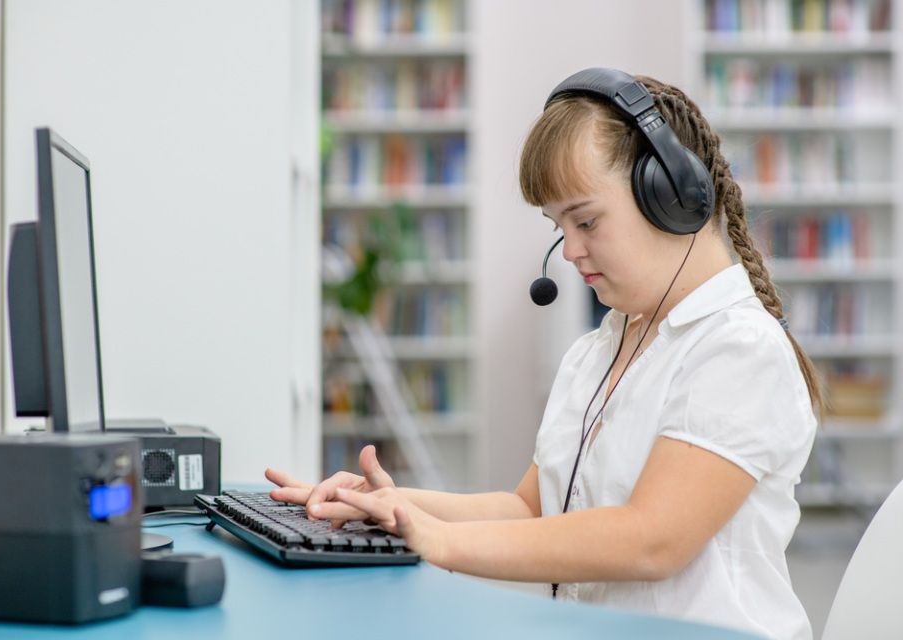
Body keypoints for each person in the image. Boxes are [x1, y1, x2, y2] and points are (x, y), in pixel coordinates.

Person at [267, 68, 821, 640]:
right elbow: (531, 509)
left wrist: (442, 541)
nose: (571, 251)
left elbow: (652, 540)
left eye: (586, 220)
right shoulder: (597, 350)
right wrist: (390, 507)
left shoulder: (738, 349)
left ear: (673, 197)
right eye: (560, 227)